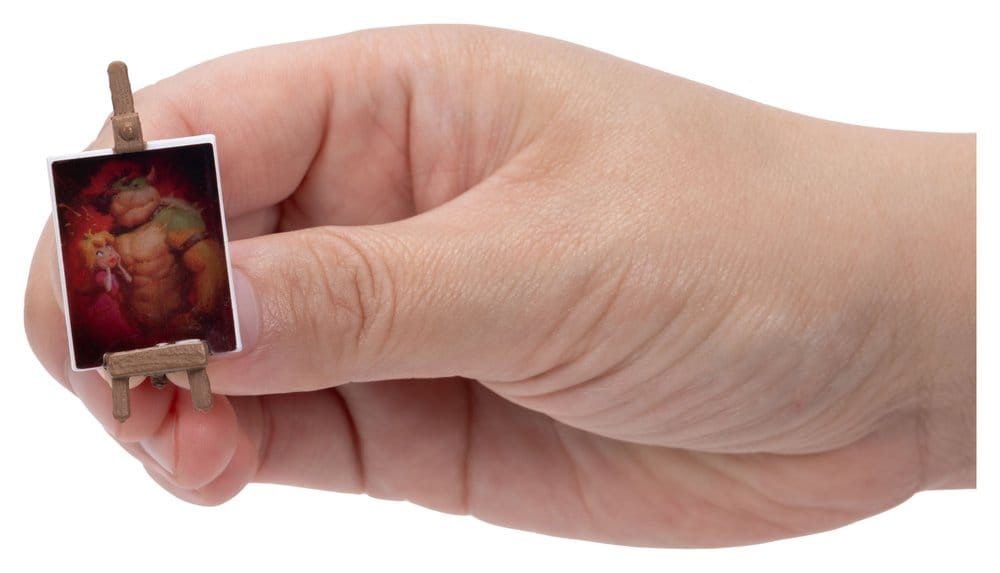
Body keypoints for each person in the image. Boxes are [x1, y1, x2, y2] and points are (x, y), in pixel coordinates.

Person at [24, 26, 974, 548]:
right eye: (122, 199)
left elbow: (201, 263)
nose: (133, 202)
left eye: (143, 194)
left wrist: (916, 340)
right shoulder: (114, 235)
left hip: (191, 330)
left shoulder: (181, 221)